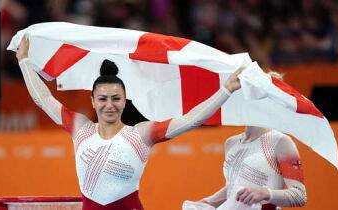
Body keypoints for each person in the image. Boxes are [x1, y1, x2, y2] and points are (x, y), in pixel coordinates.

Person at [15, 37, 243, 210]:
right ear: (93, 101)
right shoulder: (81, 128)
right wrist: (24, 60)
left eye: (116, 98)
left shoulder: (141, 134)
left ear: (124, 101)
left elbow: (192, 119)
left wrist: (226, 89)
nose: (109, 105)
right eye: (102, 99)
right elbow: (43, 99)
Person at [183, 73, 307, 210]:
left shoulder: (281, 142)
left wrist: (265, 193)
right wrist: (208, 202)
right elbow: (233, 188)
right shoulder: (231, 143)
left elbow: (299, 195)